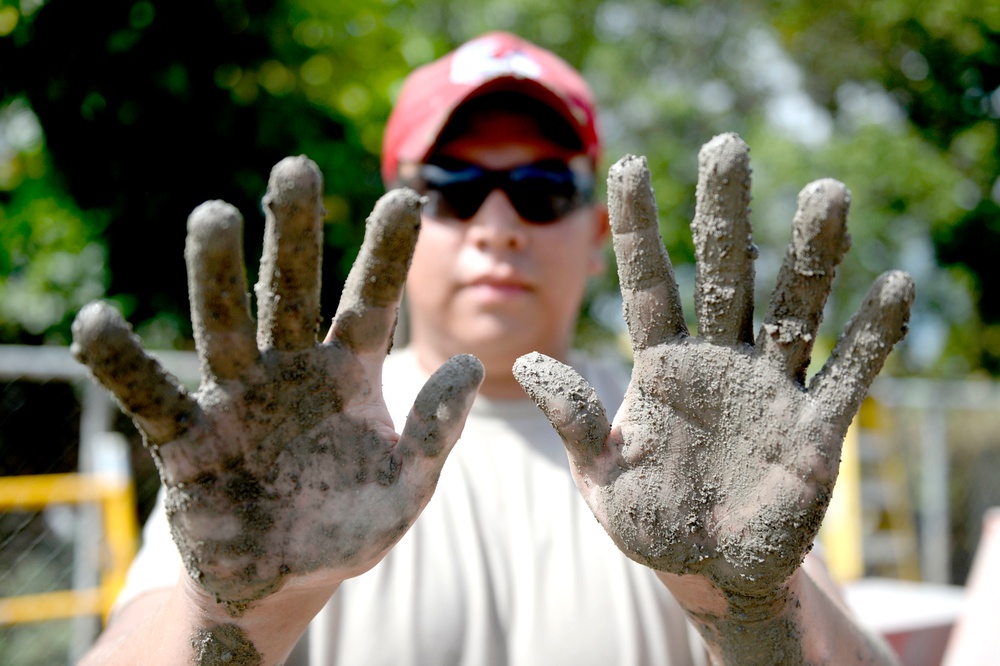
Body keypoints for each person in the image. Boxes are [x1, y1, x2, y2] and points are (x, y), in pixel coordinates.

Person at [73, 32, 913, 665]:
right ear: (395, 224)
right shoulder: (274, 449)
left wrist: (756, 612)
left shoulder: (713, 447)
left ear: (596, 230)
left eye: (543, 190)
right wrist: (228, 614)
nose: (500, 227)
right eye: (455, 190)